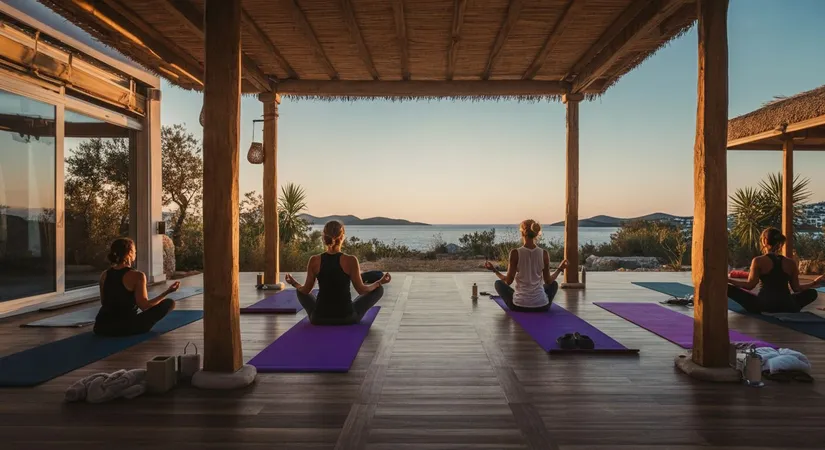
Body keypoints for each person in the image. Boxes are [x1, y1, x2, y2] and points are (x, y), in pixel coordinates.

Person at [285, 220, 392, 325]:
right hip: (347, 318)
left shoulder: (314, 260)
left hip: (319, 318)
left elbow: (306, 290)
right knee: (378, 290)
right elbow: (362, 290)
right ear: (342, 237)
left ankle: (320, 310)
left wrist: (294, 283)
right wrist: (379, 282)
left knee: (300, 290)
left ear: (324, 238)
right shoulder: (351, 260)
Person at [94, 238, 180, 336]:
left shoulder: (104, 274)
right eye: (135, 251)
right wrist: (167, 292)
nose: (136, 253)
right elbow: (144, 306)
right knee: (169, 303)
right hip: (125, 328)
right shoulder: (138, 276)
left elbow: (103, 302)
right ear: (130, 252)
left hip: (100, 327)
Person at [728, 227, 824, 314]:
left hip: (764, 305)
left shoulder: (758, 261)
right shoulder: (790, 263)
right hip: (788, 306)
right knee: (812, 293)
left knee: (728, 288)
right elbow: (797, 288)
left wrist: (729, 280)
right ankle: (790, 306)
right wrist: (814, 282)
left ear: (765, 241)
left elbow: (750, 285)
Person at [483, 219, 566, 312]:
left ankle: (522, 298)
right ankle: (538, 299)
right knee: (553, 285)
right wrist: (560, 269)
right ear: (536, 234)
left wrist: (494, 270)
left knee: (498, 284)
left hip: (519, 306)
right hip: (542, 306)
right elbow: (548, 281)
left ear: (522, 233)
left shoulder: (515, 253)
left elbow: (508, 281)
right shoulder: (544, 253)